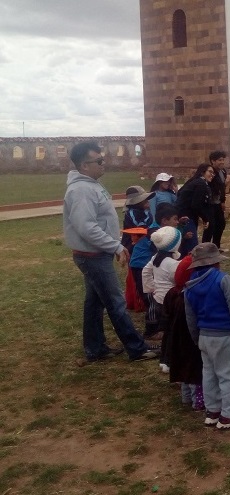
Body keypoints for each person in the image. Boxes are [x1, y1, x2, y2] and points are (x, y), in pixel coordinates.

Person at [63, 141, 159, 362]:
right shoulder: (81, 190)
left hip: (95, 253)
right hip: (93, 256)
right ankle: (137, 348)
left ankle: (95, 348)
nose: (103, 163)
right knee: (115, 302)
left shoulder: (91, 185)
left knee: (94, 303)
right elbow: (86, 227)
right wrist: (115, 245)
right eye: (98, 161)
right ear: (84, 166)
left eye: (102, 159)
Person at [184, 242, 230, 429]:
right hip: (224, 335)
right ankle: (229, 414)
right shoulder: (222, 279)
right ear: (216, 263)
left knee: (209, 373)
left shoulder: (189, 285)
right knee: (229, 373)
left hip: (204, 336)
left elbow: (190, 316)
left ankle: (213, 410)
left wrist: (196, 337)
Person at [164, 253, 204, 412]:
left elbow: (166, 314)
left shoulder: (173, 293)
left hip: (176, 338)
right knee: (194, 370)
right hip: (190, 339)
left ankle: (186, 397)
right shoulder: (188, 298)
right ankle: (198, 402)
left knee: (183, 369)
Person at [142, 226, 183, 373]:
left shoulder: (156, 258)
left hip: (159, 301)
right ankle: (170, 362)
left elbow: (145, 271)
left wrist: (151, 288)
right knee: (174, 332)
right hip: (172, 303)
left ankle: (164, 361)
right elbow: (179, 281)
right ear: (175, 245)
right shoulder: (173, 264)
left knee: (167, 333)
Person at [176, 163, 214, 257]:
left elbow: (180, 193)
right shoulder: (200, 184)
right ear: (202, 172)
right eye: (210, 172)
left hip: (183, 216)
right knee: (191, 248)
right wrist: (205, 218)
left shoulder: (194, 182)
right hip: (187, 218)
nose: (212, 174)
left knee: (184, 245)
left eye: (213, 173)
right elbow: (196, 205)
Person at [203, 151, 228, 251]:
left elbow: (222, 188)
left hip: (217, 203)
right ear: (213, 161)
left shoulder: (223, 172)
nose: (222, 162)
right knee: (210, 226)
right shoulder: (210, 172)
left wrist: (222, 201)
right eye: (219, 160)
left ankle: (216, 246)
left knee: (221, 223)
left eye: (223, 160)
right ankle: (205, 249)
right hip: (210, 203)